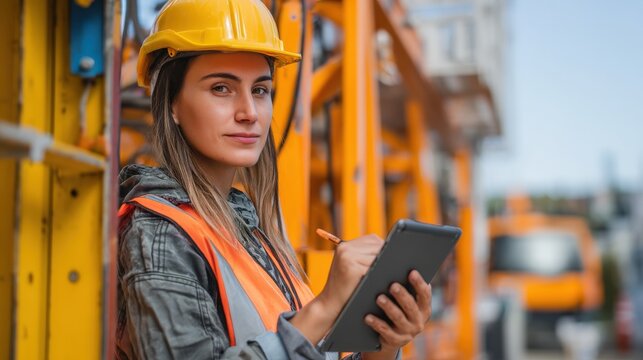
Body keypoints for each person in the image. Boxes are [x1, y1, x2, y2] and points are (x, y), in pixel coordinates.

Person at [116, 0, 433, 359]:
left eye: (260, 90)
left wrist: (385, 341)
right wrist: (324, 307)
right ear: (171, 102)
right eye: (221, 88)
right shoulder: (159, 233)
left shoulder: (251, 233)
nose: (249, 113)